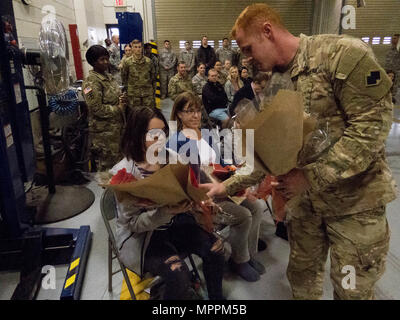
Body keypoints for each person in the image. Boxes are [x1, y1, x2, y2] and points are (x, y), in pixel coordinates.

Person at [201, 3, 397, 300]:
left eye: (249, 48)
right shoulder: (270, 81)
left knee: (351, 290)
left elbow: (371, 128)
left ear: (268, 31)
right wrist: (225, 186)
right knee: (302, 281)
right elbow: (269, 150)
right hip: (306, 207)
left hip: (355, 205)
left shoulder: (342, 54)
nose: (246, 58)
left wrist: (309, 177)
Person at [111, 106, 225, 300]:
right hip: (145, 238)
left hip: (175, 222)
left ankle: (217, 300)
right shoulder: (124, 173)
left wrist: (200, 203)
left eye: (163, 132)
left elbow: (187, 192)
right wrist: (165, 212)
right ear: (137, 135)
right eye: (153, 134)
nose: (161, 139)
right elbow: (132, 224)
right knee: (178, 275)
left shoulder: (171, 157)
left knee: (216, 249)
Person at [167, 92, 266, 282]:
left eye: (197, 110)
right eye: (189, 111)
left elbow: (222, 165)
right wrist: (209, 198)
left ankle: (249, 255)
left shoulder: (205, 134)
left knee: (257, 207)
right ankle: (239, 261)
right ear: (179, 114)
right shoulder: (176, 143)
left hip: (220, 187)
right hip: (203, 198)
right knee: (243, 216)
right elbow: (186, 184)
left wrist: (237, 186)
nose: (196, 115)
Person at [82, 45, 126, 172]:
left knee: (118, 165)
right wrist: (118, 108)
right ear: (93, 62)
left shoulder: (108, 77)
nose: (106, 62)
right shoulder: (90, 82)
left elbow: (113, 96)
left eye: (107, 58)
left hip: (116, 130)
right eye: (102, 59)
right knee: (108, 168)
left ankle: (117, 191)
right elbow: (96, 108)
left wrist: (122, 99)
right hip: (104, 135)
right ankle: (109, 192)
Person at [121, 39, 156, 112]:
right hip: (133, 95)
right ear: (132, 48)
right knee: (134, 115)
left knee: (148, 114)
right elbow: (124, 77)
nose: (138, 49)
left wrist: (152, 92)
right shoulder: (127, 62)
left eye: (139, 47)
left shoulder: (148, 61)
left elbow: (153, 77)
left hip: (147, 94)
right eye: (135, 47)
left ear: (142, 48)